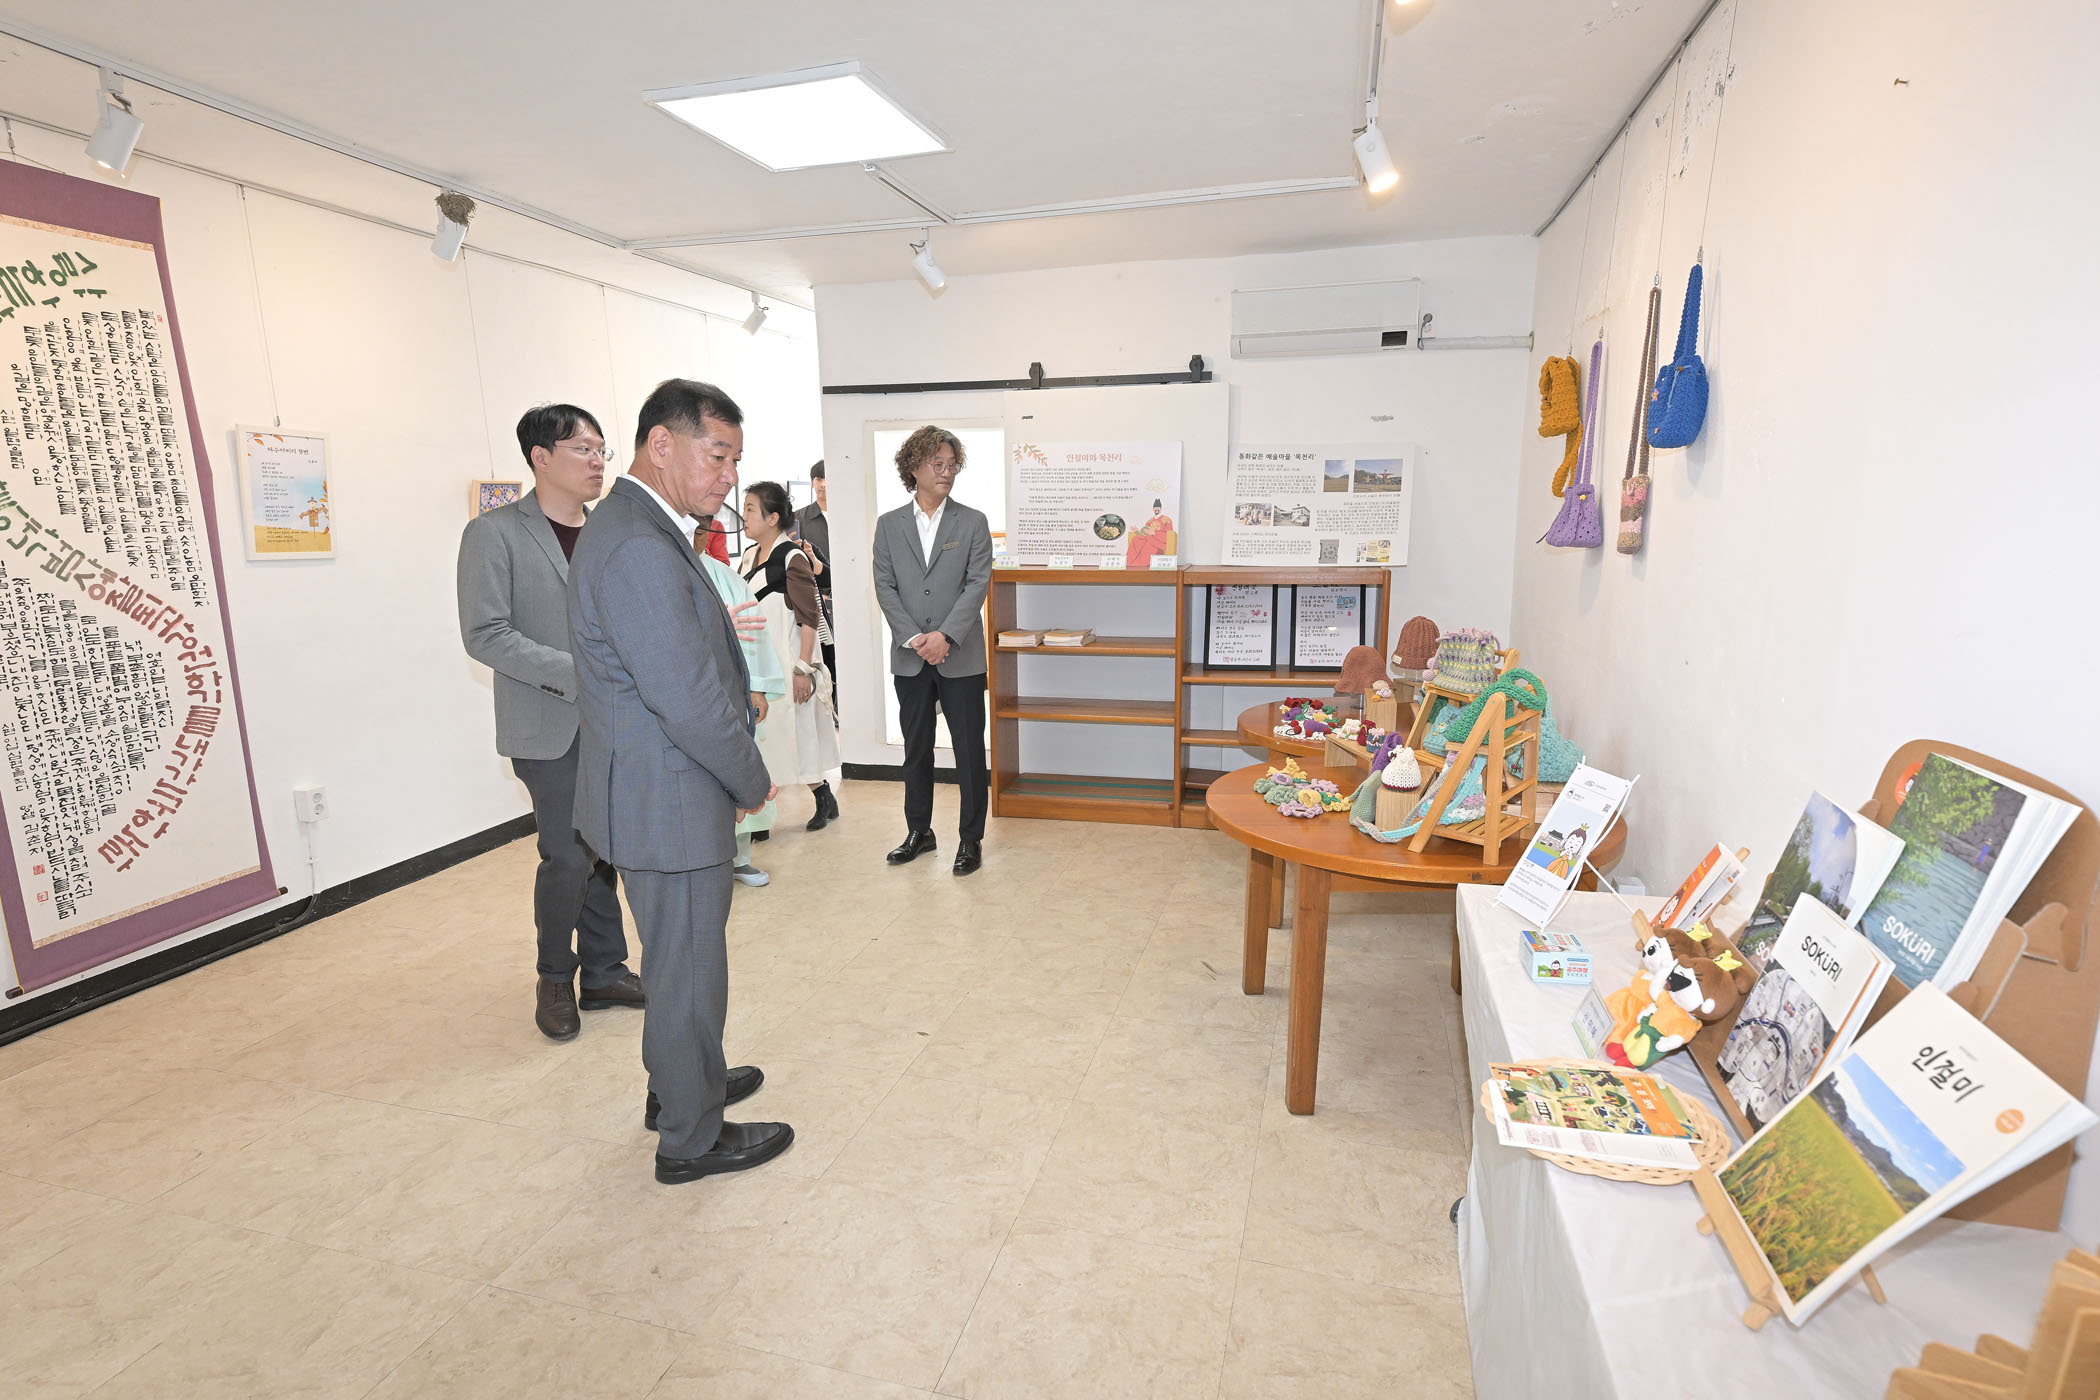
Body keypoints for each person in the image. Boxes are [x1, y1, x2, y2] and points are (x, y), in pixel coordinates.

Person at [568, 377, 792, 1185]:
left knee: (676, 963)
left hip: (658, 785)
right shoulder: (636, 543)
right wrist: (750, 777)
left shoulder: (639, 526)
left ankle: (679, 1083)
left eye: (736, 460)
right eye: (717, 456)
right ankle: (691, 1138)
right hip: (669, 792)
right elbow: (687, 696)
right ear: (661, 445)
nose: (729, 477)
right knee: (690, 968)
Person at [457, 404, 641, 1042]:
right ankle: (555, 976)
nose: (597, 462)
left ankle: (606, 971)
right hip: (548, 722)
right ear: (541, 457)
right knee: (566, 853)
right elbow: (485, 633)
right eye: (583, 449)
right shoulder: (495, 533)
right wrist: (581, 672)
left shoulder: (610, 532)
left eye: (601, 450)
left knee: (602, 848)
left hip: (617, 719)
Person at [870, 425, 994, 876]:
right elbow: (884, 585)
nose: (946, 472)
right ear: (913, 468)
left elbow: (977, 584)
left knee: (969, 751)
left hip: (960, 655)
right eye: (936, 464)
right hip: (910, 656)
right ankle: (919, 831)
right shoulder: (889, 525)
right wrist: (914, 638)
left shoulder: (972, 521)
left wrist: (945, 637)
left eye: (951, 465)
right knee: (916, 748)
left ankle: (970, 839)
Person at [740, 481, 840, 832]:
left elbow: (808, 617)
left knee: (797, 732)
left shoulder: (792, 557)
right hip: (758, 660)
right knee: (764, 736)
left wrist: (802, 669)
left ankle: (823, 795)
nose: (744, 516)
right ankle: (762, 811)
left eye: (750, 509)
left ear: (772, 518)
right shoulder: (749, 556)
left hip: (789, 658)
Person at [695, 525, 786, 886]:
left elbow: (754, 633)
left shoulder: (725, 577)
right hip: (687, 697)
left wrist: (758, 688)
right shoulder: (658, 568)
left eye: (701, 529)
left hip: (731, 694)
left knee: (738, 767)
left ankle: (740, 858)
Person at [794, 461, 836, 706]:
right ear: (812, 483)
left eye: (828, 478)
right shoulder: (799, 518)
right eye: (819, 479)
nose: (823, 484)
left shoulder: (849, 515)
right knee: (826, 659)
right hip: (818, 600)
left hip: (849, 595)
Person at [1124, 497, 1177, 570]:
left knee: (1149, 543)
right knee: (1135, 538)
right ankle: (1130, 562)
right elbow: (1144, 533)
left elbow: (1168, 534)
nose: (1156, 509)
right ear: (1153, 509)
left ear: (1161, 509)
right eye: (1155, 508)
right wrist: (1136, 531)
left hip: (1158, 542)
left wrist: (1154, 533)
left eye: (1158, 508)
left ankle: (1142, 563)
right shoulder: (1150, 520)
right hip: (1147, 538)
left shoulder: (1166, 519)